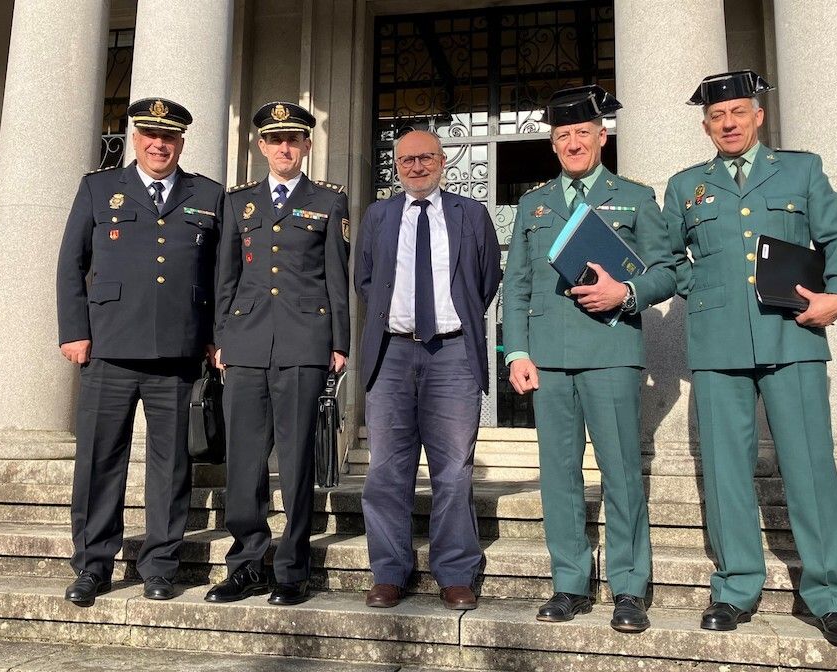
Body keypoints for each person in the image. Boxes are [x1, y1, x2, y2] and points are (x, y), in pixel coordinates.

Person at [663, 70, 837, 647]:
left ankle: (828, 595)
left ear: (758, 117)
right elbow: (666, 254)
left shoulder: (800, 170)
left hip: (792, 334)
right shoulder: (686, 186)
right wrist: (698, 286)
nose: (727, 123)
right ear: (706, 125)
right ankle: (734, 589)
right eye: (716, 117)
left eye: (737, 113)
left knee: (808, 466)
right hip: (718, 340)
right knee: (726, 470)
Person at [503, 85, 676, 632]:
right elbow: (518, 285)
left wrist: (624, 294)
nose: (573, 143)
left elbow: (667, 271)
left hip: (611, 352)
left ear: (602, 138)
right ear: (553, 146)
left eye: (583, 133)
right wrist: (517, 352)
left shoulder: (636, 197)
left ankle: (628, 587)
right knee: (558, 476)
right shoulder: (534, 204)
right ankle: (569, 583)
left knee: (622, 473)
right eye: (563, 136)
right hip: (549, 359)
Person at [56, 97, 223, 605]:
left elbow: (221, 277)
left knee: (171, 467)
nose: (159, 144)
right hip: (108, 347)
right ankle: (92, 564)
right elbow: (71, 265)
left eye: (169, 137)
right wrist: (74, 331)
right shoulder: (99, 187)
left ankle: (160, 566)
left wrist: (216, 337)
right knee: (99, 462)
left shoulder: (209, 195)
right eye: (151, 135)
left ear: (181, 142)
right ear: (135, 139)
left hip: (177, 352)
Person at [205, 101, 350, 607]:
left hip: (303, 343)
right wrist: (221, 337)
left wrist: (339, 343)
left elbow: (337, 276)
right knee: (244, 461)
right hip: (245, 343)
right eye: (274, 140)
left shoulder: (329, 200)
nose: (284, 148)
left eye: (294, 140)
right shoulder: (238, 202)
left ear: (307, 146)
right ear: (261, 146)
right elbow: (225, 277)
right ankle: (245, 564)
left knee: (295, 461)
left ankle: (292, 568)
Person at [354, 130, 501, 611]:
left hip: (453, 354)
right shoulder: (378, 215)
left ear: (443, 160)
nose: (415, 167)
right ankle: (389, 572)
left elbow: (486, 278)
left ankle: (456, 572)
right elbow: (366, 279)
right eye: (405, 160)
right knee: (385, 470)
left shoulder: (471, 215)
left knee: (454, 470)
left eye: (424, 158)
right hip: (392, 353)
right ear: (395, 166)